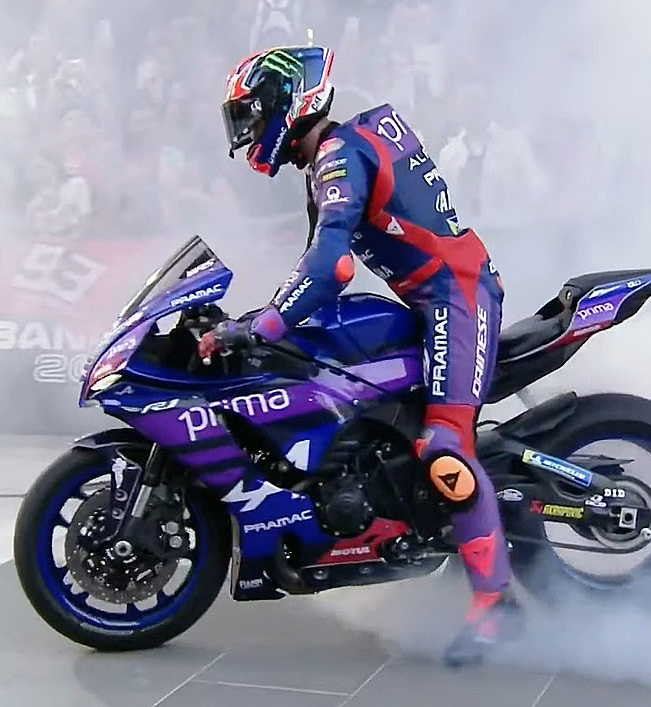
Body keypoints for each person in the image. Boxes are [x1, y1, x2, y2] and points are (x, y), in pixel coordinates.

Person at [202, 45, 522, 667]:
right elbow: (314, 267)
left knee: (445, 446)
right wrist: (258, 322)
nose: (248, 132)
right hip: (428, 298)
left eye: (252, 114)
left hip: (457, 296)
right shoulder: (333, 155)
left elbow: (331, 267)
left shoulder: (338, 156)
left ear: (287, 103)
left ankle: (496, 606)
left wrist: (262, 326)